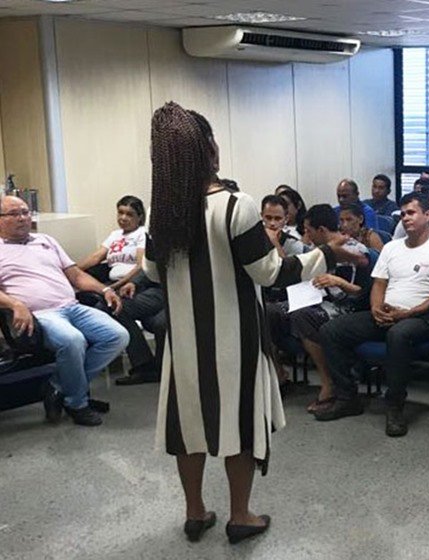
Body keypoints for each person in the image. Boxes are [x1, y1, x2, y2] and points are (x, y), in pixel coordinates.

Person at [144, 103, 352, 544]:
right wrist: (327, 253)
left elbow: (150, 270)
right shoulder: (236, 205)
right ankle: (241, 515)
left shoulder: (160, 212)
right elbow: (271, 272)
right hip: (234, 341)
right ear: (209, 150)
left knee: (190, 425)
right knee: (238, 423)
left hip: (182, 342)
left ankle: (195, 512)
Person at [316, 192, 429, 437]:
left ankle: (395, 406)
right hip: (387, 312)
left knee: (398, 336)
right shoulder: (391, 248)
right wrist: (376, 308)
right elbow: (378, 284)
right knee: (331, 330)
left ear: (428, 215)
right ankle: (347, 397)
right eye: (403, 214)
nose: (406, 218)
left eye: (412, 213)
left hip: (421, 317)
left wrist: (408, 313)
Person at [0, 195, 129, 426]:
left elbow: (76, 276)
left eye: (25, 212)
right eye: (14, 214)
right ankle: (76, 403)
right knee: (73, 341)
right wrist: (15, 304)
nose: (22, 218)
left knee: (117, 336)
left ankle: (57, 385)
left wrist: (105, 289)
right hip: (39, 315)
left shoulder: (46, 240)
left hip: (72, 306)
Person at [267, 204, 372, 413]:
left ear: (322, 230)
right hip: (315, 300)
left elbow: (360, 292)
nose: (306, 235)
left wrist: (337, 281)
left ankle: (328, 383)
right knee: (268, 311)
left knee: (301, 315)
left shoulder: (354, 248)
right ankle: (279, 373)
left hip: (343, 307)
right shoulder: (316, 252)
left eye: (309, 230)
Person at [76, 195, 166, 385]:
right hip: (120, 287)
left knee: (113, 307)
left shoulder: (142, 234)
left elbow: (142, 266)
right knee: (105, 305)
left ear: (140, 217)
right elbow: (95, 257)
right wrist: (70, 270)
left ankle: (143, 365)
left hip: (144, 286)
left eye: (129, 214)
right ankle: (143, 364)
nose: (123, 218)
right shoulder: (115, 235)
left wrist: (114, 287)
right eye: (120, 212)